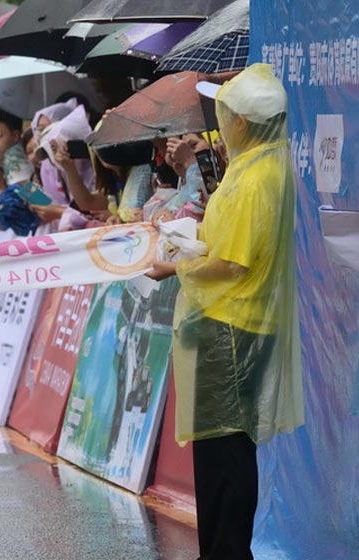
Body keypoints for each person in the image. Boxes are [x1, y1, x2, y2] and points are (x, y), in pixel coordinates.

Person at [146, 64, 303, 560]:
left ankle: (228, 552)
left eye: (227, 114)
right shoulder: (261, 165)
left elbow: (232, 262)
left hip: (232, 325)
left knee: (226, 454)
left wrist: (175, 268)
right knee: (222, 451)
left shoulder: (256, 178)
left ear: (243, 122)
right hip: (238, 322)